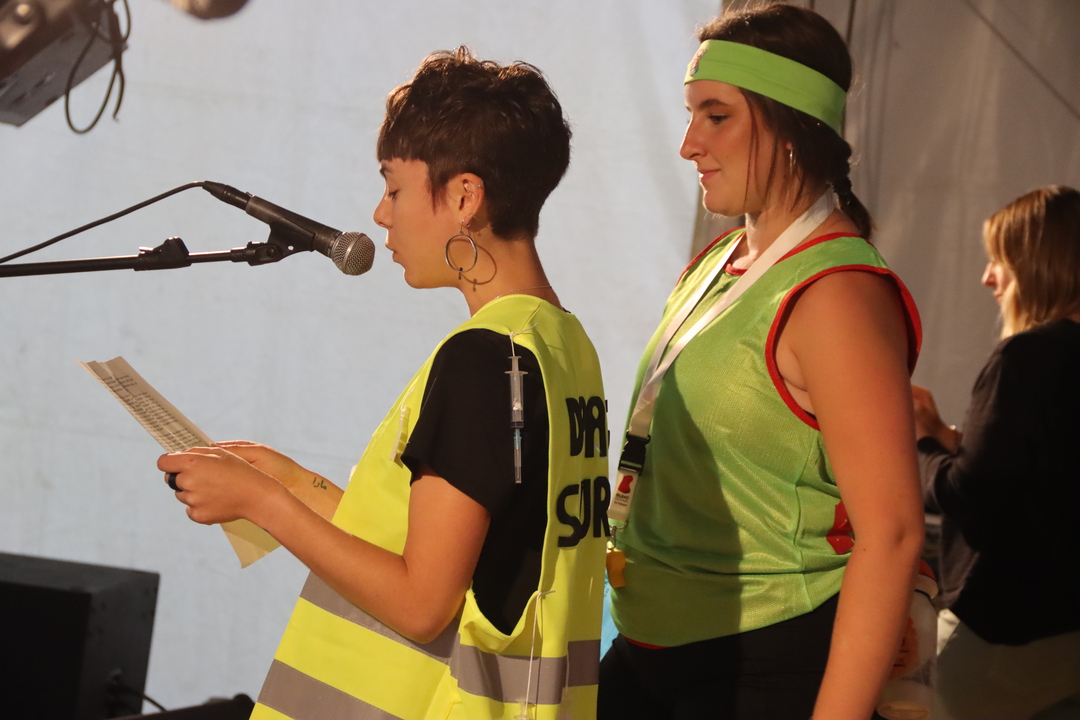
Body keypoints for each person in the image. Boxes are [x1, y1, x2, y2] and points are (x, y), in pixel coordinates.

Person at [158, 48, 610, 720]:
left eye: (394, 189)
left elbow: (421, 603)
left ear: (464, 197)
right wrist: (293, 483)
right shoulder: (560, 343)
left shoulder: (484, 357)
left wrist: (261, 502)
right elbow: (449, 550)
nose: (379, 213)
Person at [599, 5, 925, 719]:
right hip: (650, 649)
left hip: (759, 666)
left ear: (792, 125)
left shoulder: (837, 292)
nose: (688, 144)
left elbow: (894, 533)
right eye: (691, 114)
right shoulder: (719, 261)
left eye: (716, 116)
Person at [914, 185, 1080, 719]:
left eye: (999, 261)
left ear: (1039, 266)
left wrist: (918, 443)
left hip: (1003, 631)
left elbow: (969, 494)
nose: (988, 277)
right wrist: (949, 438)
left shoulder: (1026, 357)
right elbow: (1045, 473)